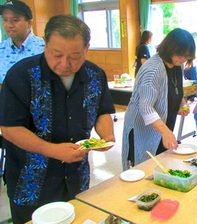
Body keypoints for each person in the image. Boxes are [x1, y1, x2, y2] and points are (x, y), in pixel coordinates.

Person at [0, 15, 115, 223]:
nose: (65, 64)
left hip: (76, 177)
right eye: (57, 55)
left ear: (87, 48)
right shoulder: (21, 75)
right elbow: (9, 128)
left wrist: (107, 134)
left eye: (75, 56)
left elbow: (102, 111)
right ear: (45, 43)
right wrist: (53, 150)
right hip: (31, 184)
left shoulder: (95, 75)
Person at [122, 28, 195, 170]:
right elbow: (146, 107)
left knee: (159, 165)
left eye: (187, 57)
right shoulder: (153, 70)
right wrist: (165, 131)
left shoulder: (176, 66)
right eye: (182, 55)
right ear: (170, 48)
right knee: (143, 167)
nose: (184, 60)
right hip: (142, 128)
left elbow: (175, 89)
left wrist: (181, 103)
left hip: (161, 127)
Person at [0, 0, 45, 84]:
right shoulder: (1, 49)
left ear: (29, 23)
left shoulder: (44, 48)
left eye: (15, 20)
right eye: (5, 20)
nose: (9, 25)